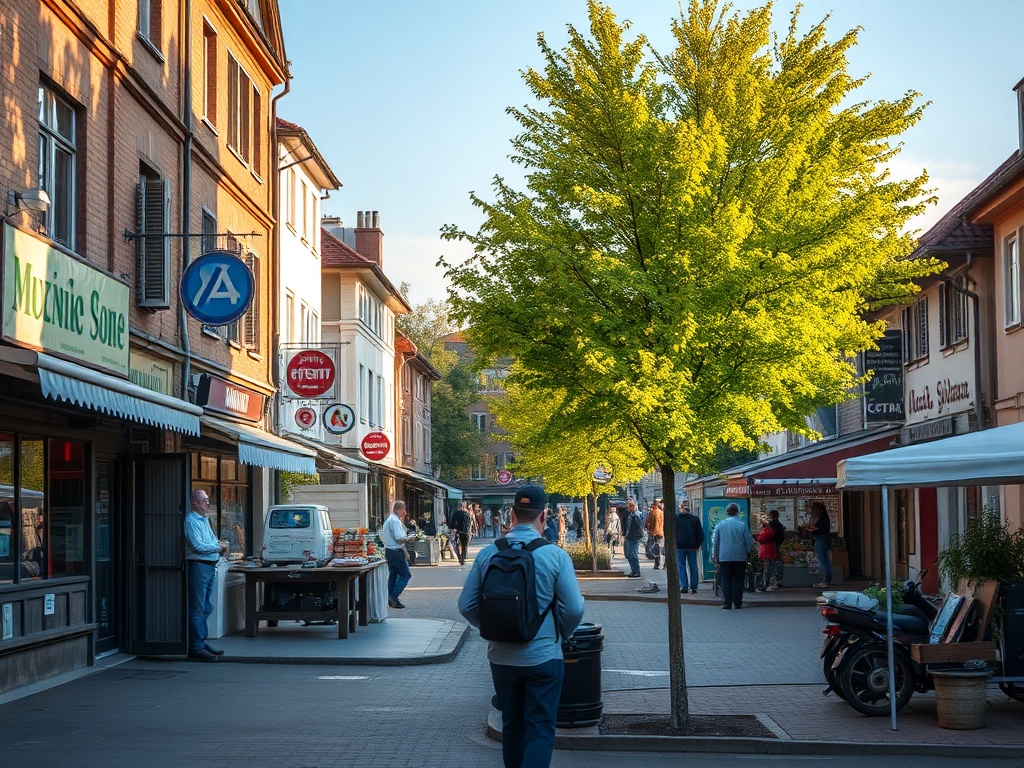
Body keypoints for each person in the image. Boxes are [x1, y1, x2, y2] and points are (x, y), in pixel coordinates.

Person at [458, 484, 585, 768]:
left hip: (501, 657)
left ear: (512, 514)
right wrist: (560, 635)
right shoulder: (555, 555)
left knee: (512, 725)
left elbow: (466, 605)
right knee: (540, 730)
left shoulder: (488, 553)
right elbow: (574, 609)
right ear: (544, 516)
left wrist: (492, 629)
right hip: (543, 657)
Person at [184, 489, 228, 660]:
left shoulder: (204, 520)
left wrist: (219, 546)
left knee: (206, 607)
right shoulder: (191, 521)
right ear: (194, 503)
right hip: (199, 566)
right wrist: (218, 548)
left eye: (208, 500)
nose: (207, 503)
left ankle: (201, 642)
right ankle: (196, 646)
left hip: (209, 566)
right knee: (198, 608)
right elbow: (197, 545)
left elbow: (210, 542)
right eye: (204, 501)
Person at [711, 502, 754, 610]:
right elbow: (748, 540)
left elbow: (715, 541)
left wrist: (715, 554)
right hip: (740, 556)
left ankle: (728, 603)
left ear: (727, 512)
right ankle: (738, 602)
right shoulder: (742, 524)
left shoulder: (720, 524)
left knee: (726, 579)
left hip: (724, 556)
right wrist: (748, 551)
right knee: (738, 579)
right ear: (737, 512)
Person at [381, 500, 416, 608]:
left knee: (393, 575)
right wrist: (410, 538)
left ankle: (390, 597)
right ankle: (394, 596)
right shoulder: (395, 521)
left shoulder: (391, 519)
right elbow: (400, 538)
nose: (405, 511)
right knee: (405, 575)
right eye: (404, 508)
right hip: (395, 551)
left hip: (389, 550)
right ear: (400, 509)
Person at [675, 501, 704, 594]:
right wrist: (698, 544)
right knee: (693, 566)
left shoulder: (677, 519)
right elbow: (701, 534)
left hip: (680, 546)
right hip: (692, 547)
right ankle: (694, 586)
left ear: (682, 510)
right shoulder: (695, 519)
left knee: (681, 566)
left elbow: (673, 532)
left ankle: (684, 586)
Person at [809, 501, 833, 588]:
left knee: (823, 561)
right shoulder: (823, 517)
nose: (813, 511)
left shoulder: (822, 518)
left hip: (821, 540)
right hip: (822, 539)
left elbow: (821, 529)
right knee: (824, 561)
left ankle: (826, 580)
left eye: (814, 509)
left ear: (819, 510)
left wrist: (812, 530)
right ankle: (827, 580)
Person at [622, 500, 644, 578]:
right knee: (628, 554)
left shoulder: (637, 515)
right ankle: (633, 570)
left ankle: (636, 571)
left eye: (631, 506)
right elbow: (626, 526)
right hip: (628, 536)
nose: (630, 507)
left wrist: (639, 534)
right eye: (629, 506)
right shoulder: (629, 515)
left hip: (634, 537)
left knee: (633, 554)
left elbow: (640, 526)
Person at [756, 518, 778, 591]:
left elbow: (760, 539)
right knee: (771, 568)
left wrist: (757, 537)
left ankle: (764, 585)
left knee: (766, 569)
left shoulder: (765, 532)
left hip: (766, 551)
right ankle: (770, 584)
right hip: (771, 551)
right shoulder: (771, 532)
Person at [767, 510, 786, 589]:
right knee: (777, 562)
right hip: (777, 545)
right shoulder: (779, 524)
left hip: (769, 546)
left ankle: (771, 581)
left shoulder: (769, 525)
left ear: (770, 516)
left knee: (770, 563)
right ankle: (777, 581)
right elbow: (782, 537)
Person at [451, 502, 473, 569]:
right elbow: (469, 524)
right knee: (464, 546)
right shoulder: (467, 514)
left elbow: (452, 524)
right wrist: (470, 532)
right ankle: (462, 559)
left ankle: (460, 557)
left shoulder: (456, 514)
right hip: (466, 533)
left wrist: (455, 529)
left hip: (459, 532)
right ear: (464, 507)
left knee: (456, 545)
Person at [645, 499, 665, 569]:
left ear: (654, 505)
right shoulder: (662, 513)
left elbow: (647, 522)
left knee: (655, 547)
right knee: (661, 547)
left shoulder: (652, 512)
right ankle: (664, 564)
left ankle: (657, 563)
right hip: (661, 532)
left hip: (654, 532)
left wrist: (648, 529)